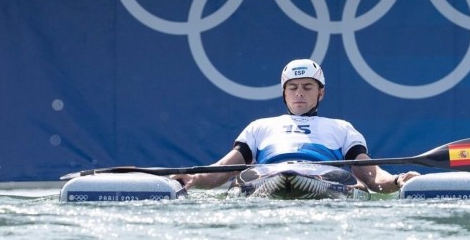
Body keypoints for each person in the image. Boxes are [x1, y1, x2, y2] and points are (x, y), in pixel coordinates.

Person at [172, 58, 420, 193]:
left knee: (356, 186)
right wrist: (190, 178)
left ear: (320, 93)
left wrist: (399, 180)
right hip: (266, 177)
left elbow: (371, 175)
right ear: (284, 92)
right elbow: (223, 170)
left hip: (324, 178)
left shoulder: (342, 128)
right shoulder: (259, 126)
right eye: (293, 87)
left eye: (307, 87)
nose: (299, 93)